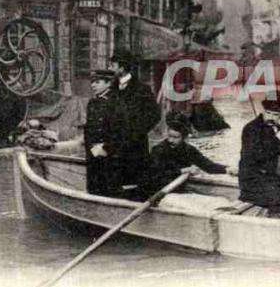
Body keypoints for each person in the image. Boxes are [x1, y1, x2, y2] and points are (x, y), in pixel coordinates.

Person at [238, 91, 280, 219]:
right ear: (263, 111)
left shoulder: (278, 128)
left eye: (276, 114)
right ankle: (276, 225)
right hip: (252, 180)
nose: (271, 117)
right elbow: (255, 156)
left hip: (272, 178)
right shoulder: (251, 128)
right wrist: (277, 141)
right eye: (268, 113)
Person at [140, 118, 237, 199]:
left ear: (184, 137)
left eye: (175, 137)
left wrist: (227, 169)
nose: (171, 140)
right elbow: (157, 173)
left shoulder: (189, 149)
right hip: (156, 188)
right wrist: (182, 170)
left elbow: (208, 166)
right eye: (169, 136)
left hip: (176, 186)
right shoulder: (158, 150)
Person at [109, 48, 161, 191]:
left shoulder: (142, 89)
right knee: (115, 180)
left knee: (135, 180)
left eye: (113, 65)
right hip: (114, 143)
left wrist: (137, 131)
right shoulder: (111, 89)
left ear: (122, 67)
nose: (110, 68)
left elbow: (155, 114)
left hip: (135, 145)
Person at [83, 69, 122, 197]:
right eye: (92, 82)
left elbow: (121, 130)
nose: (93, 85)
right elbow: (88, 129)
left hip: (110, 154)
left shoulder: (117, 103)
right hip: (93, 153)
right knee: (94, 188)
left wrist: (106, 148)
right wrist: (90, 147)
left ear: (108, 83)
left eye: (97, 82)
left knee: (109, 189)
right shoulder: (93, 103)